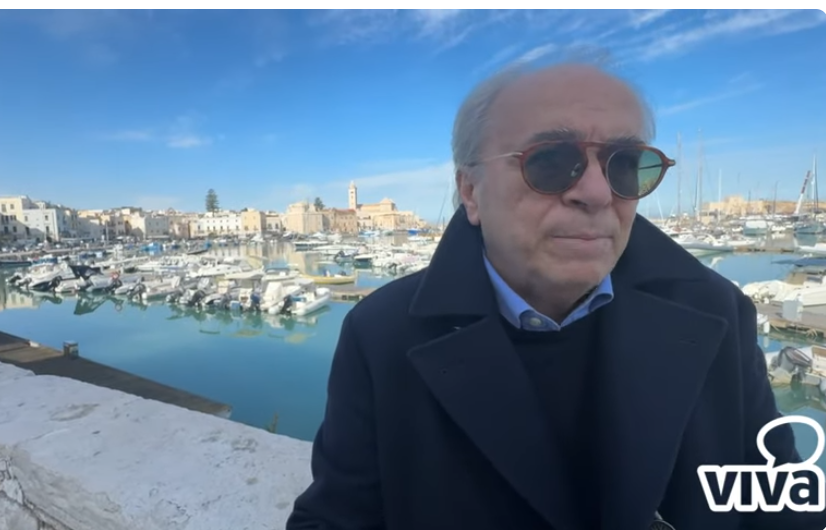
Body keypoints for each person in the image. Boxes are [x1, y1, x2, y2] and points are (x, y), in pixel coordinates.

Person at [286, 61, 826, 530]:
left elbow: (782, 507)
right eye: (549, 160)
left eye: (625, 164)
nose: (596, 192)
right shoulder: (382, 334)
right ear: (471, 191)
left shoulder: (716, 311)